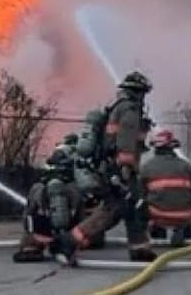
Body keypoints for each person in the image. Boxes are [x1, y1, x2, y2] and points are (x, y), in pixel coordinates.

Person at [51, 71, 157, 263]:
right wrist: (124, 170)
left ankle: (140, 250)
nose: (144, 98)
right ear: (137, 92)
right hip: (119, 170)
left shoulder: (117, 108)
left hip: (111, 168)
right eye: (143, 93)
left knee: (130, 209)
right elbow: (126, 142)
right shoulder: (130, 111)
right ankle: (68, 241)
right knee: (113, 211)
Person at [12, 134, 84, 262]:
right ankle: (62, 244)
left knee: (31, 232)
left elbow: (27, 219)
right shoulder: (77, 189)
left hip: (41, 235)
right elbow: (82, 218)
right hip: (72, 237)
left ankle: (31, 248)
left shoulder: (37, 188)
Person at [140, 128, 191, 247]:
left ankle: (156, 235)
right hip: (185, 216)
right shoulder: (187, 166)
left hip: (158, 216)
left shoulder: (147, 167)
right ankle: (186, 232)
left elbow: (141, 195)